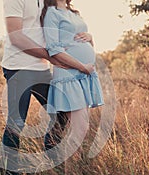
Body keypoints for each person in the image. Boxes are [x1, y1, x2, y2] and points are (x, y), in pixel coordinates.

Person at [1, 0, 95, 175]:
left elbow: (62, 27)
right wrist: (50, 55)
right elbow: (16, 37)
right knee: (16, 122)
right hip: (18, 67)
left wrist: (88, 36)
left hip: (41, 68)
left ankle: (52, 163)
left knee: (60, 114)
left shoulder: (46, 1)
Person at [41, 0, 104, 159]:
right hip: (68, 76)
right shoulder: (51, 13)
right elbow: (54, 50)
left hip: (84, 76)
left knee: (81, 129)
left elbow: (85, 43)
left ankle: (74, 173)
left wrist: (90, 38)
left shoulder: (73, 13)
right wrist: (82, 67)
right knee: (80, 128)